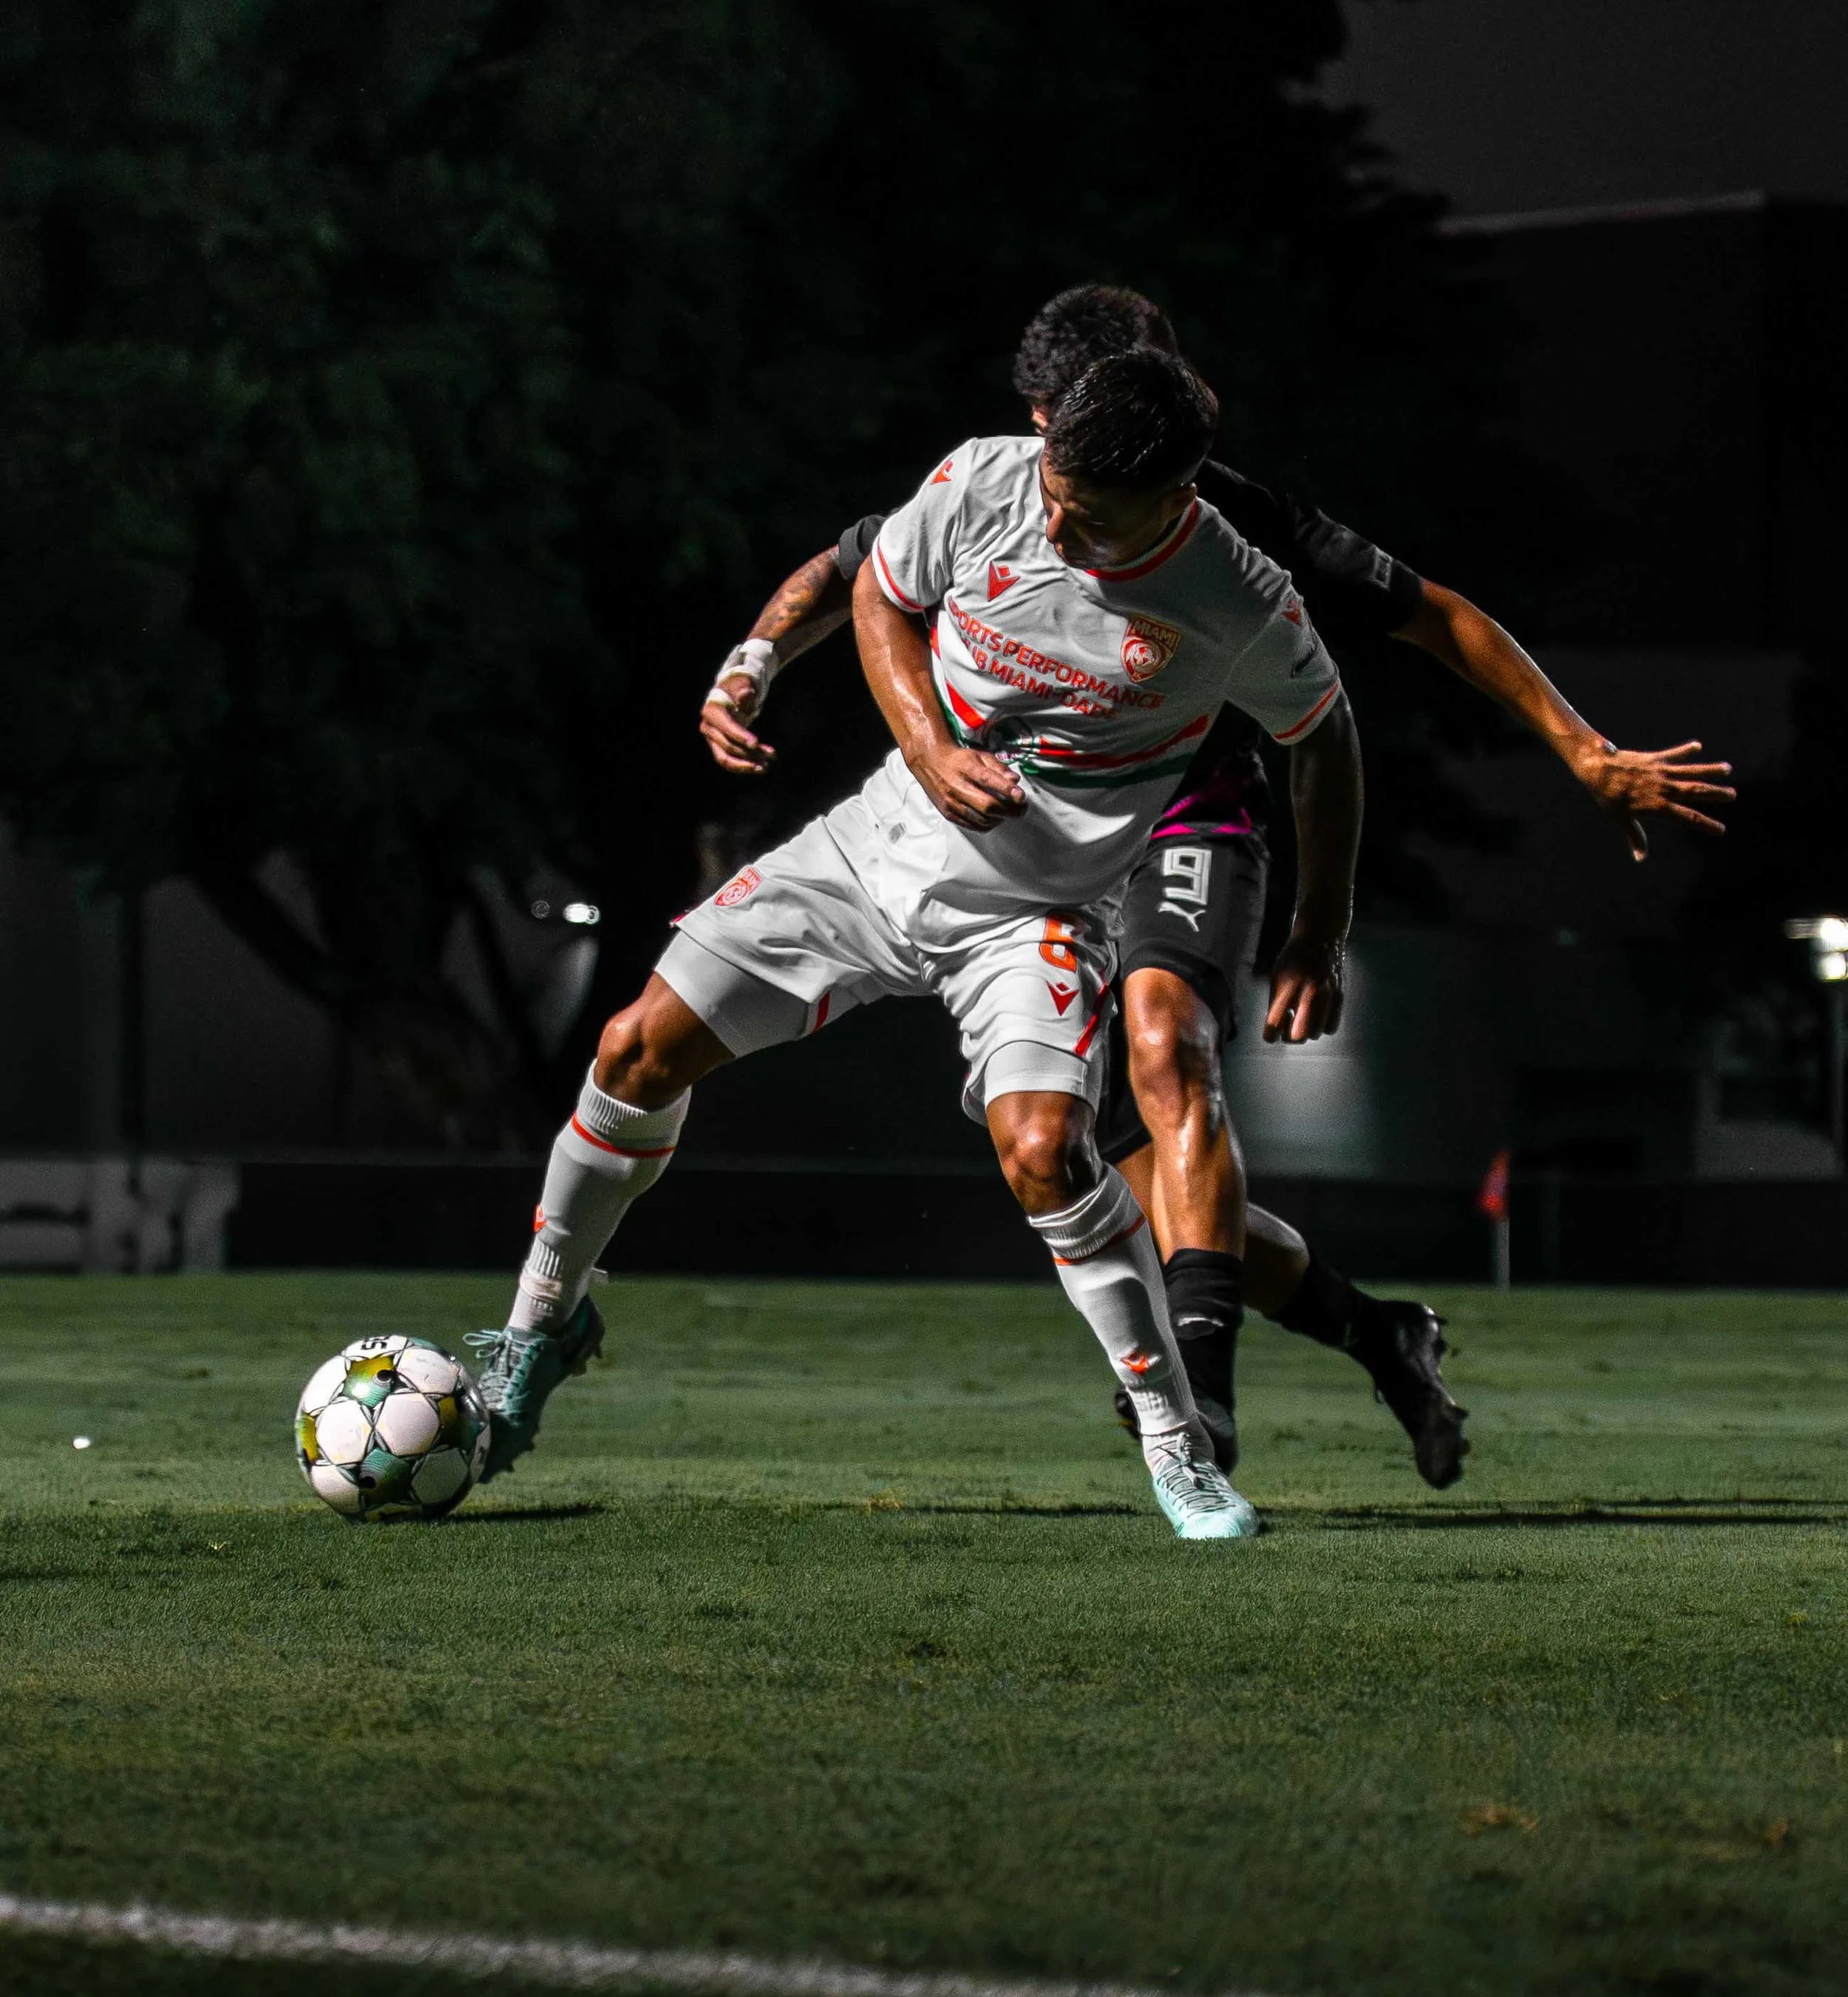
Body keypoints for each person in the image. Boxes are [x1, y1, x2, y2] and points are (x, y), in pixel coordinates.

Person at [698, 287, 1735, 1485]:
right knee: (1150, 1200)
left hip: (1191, 815)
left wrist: (1574, 752)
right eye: (1040, 431)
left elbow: (1428, 619)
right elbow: (854, 569)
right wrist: (754, 660)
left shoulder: (1220, 528)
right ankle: (1379, 1331)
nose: (1054, 472)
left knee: (1165, 1047)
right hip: (1038, 851)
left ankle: (1205, 1415)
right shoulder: (1011, 486)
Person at [468, 350, 1363, 1541]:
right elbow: (880, 597)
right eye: (1051, 483)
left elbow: (1328, 735)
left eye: (1084, 511)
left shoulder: (1233, 596)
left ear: (1173, 498)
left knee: (1047, 1153)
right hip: (870, 848)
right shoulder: (988, 479)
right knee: (634, 1050)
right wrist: (932, 747)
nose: (1051, 514)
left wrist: (1318, 929)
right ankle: (538, 1334)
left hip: (1037, 917)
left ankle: (1178, 1449)